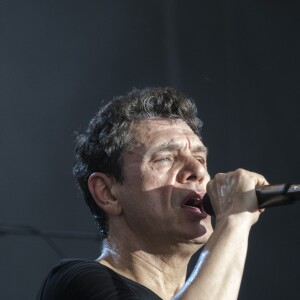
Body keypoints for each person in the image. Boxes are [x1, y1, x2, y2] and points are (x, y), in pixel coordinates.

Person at [37, 87, 268, 300]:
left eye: (200, 159)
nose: (198, 171)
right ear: (107, 193)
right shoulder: (76, 282)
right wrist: (235, 220)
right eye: (165, 158)